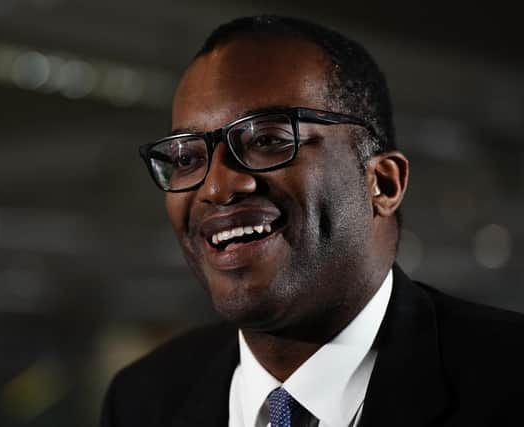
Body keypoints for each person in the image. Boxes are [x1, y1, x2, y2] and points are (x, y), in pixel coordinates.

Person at [100, 14, 524, 427]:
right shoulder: (142, 399)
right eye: (187, 158)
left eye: (268, 140)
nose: (217, 187)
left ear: (383, 183)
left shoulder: (507, 378)